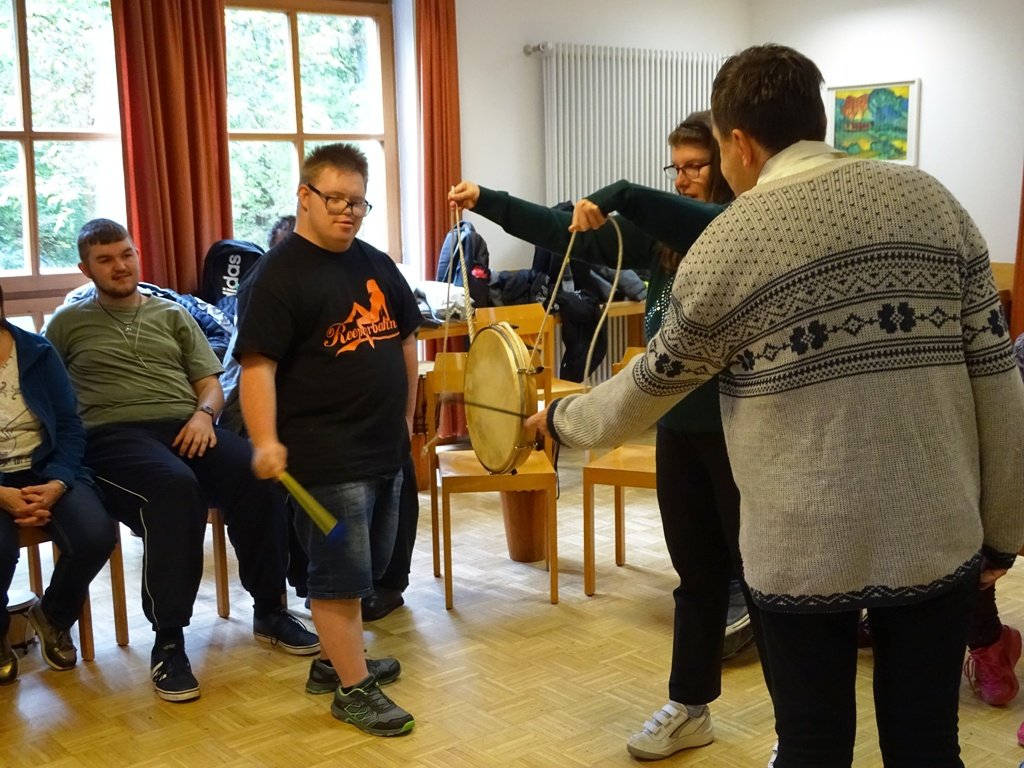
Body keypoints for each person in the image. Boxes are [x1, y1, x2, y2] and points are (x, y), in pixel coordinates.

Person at [528, 44, 1024, 767]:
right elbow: (998, 380)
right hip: (935, 536)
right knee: (926, 745)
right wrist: (1003, 533)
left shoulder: (731, 239)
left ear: (738, 142)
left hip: (801, 553)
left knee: (811, 746)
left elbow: (651, 384)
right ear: (816, 120)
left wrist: (561, 421)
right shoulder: (934, 202)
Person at [448, 111, 761, 762]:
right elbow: (562, 232)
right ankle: (690, 708)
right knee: (696, 580)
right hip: (679, 432)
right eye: (676, 167)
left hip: (741, 436)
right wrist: (488, 201)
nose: (684, 178)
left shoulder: (742, 228)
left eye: (697, 165)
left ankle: (800, 730)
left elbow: (703, 221)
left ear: (730, 163)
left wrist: (617, 193)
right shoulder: (659, 244)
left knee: (767, 586)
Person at [44, 219, 319, 703]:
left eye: (126, 254)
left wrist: (204, 416)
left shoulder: (171, 313)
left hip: (187, 425)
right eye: (105, 259)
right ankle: (168, 640)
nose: (120, 266)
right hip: (111, 437)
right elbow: (47, 395)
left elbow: (211, 384)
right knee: (174, 488)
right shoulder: (66, 323)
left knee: (257, 470)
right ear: (86, 269)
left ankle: (270, 608)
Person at [235, 142, 420, 737]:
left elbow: (405, 341)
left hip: (384, 448)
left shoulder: (375, 262)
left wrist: (407, 420)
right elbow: (257, 367)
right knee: (339, 577)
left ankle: (334, 662)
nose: (347, 211)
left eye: (357, 202)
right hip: (326, 457)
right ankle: (352, 691)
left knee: (372, 568)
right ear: (305, 196)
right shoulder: (276, 276)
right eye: (335, 199)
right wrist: (265, 439)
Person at [0, 286, 115, 685]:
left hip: (46, 468)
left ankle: (53, 615)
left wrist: (59, 480)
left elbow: (69, 425)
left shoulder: (36, 351)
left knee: (95, 536)